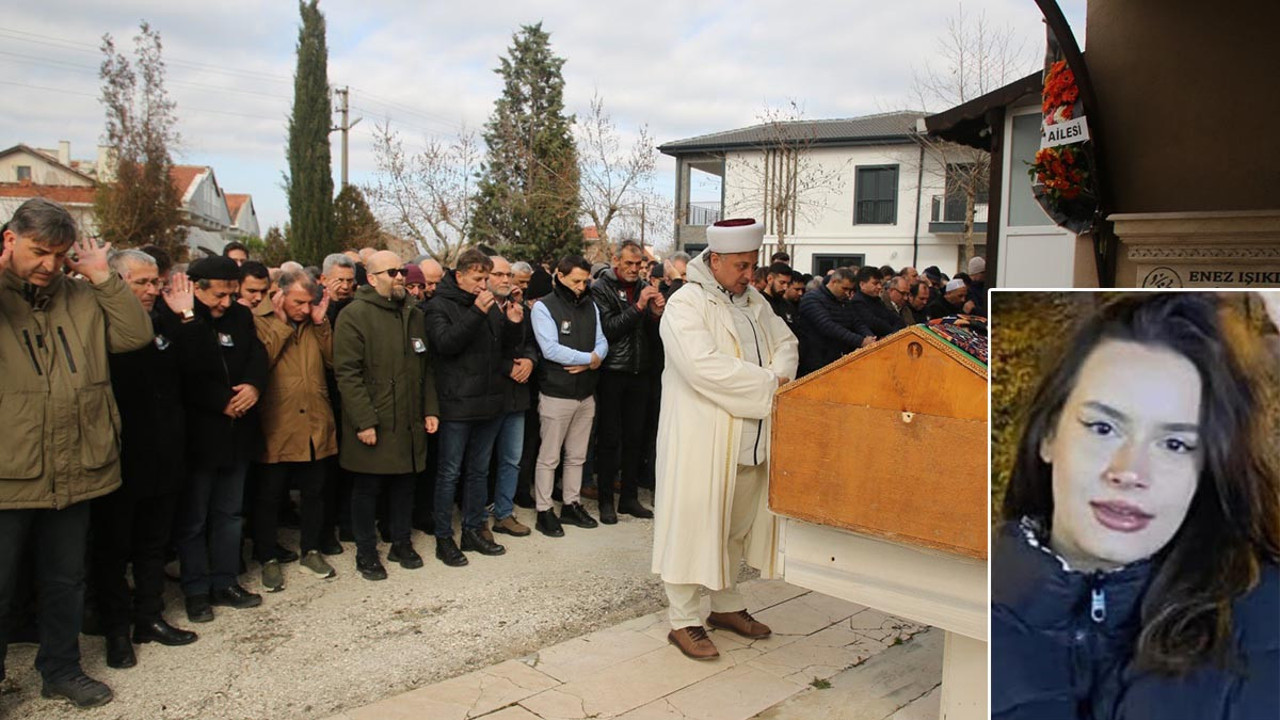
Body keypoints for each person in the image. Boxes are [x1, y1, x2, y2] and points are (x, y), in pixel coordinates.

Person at [993, 292, 1279, 720]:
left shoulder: (1263, 620)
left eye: (1175, 444)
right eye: (1103, 427)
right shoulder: (976, 600)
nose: (1129, 471)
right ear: (1049, 435)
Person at [0, 199, 153, 707]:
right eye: (38, 251)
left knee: (66, 579)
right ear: (9, 241)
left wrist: (103, 277)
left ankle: (61, 669)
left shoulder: (80, 297)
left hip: (77, 465)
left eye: (59, 254)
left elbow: (135, 335)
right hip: (11, 470)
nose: (47, 264)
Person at [652, 218, 798, 661]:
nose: (748, 274)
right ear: (714, 261)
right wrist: (770, 384)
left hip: (751, 437)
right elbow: (702, 367)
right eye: (740, 265)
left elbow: (787, 343)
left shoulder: (755, 301)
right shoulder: (686, 304)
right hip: (704, 437)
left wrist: (776, 374)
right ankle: (684, 620)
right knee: (693, 527)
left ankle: (726, 606)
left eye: (752, 265)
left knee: (734, 529)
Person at [93, 251, 200, 671]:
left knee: (153, 544)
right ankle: (116, 629)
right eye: (142, 283)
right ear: (117, 282)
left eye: (155, 282)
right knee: (113, 548)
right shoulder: (100, 325)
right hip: (119, 455)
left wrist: (187, 320)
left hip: (165, 451)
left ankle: (148, 618)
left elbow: (195, 372)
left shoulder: (167, 321)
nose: (152, 290)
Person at [334, 251, 440, 581]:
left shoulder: (413, 313)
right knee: (367, 489)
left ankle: (401, 542)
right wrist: (364, 421)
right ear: (371, 277)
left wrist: (430, 409)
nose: (400, 277)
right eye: (392, 271)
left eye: (402, 271)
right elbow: (347, 374)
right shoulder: (354, 315)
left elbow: (425, 368)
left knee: (405, 484)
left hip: (409, 419)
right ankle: (366, 551)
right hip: (376, 419)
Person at [174, 256, 268, 624]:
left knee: (229, 515)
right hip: (202, 434)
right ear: (196, 288)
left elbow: (257, 356)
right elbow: (189, 368)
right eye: (218, 295)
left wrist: (255, 387)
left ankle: (225, 581)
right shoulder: (180, 318)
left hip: (238, 432)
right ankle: (196, 590)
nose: (226, 303)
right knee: (194, 519)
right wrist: (220, 402)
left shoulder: (240, 316)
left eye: (231, 294)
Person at [424, 249, 517, 565]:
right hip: (456, 403)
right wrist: (477, 312)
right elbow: (446, 344)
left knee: (478, 472)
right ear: (459, 274)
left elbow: (499, 348)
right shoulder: (438, 305)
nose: (483, 284)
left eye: (486, 278)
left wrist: (513, 324)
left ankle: (472, 530)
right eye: (478, 279)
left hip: (489, 402)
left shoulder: (487, 304)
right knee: (449, 473)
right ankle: (443, 537)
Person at [251, 268, 339, 590]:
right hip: (277, 423)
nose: (304, 308)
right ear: (280, 294)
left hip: (315, 421)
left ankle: (311, 551)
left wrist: (321, 323)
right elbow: (260, 365)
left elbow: (333, 362)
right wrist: (279, 326)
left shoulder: (314, 321)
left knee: (315, 493)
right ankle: (267, 557)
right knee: (269, 496)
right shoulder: (259, 320)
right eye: (298, 302)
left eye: (309, 302)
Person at [530, 255, 608, 537]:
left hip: (585, 393)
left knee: (577, 456)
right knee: (549, 456)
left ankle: (571, 503)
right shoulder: (543, 307)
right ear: (560, 276)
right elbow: (550, 349)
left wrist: (596, 357)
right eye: (576, 280)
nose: (581, 286)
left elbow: (602, 340)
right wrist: (589, 358)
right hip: (557, 392)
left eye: (585, 281)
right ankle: (544, 509)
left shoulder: (591, 305)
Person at [590, 241, 662, 524]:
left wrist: (656, 315)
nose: (634, 269)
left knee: (636, 438)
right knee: (609, 439)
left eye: (638, 264)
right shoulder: (601, 288)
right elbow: (608, 329)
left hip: (640, 371)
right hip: (612, 372)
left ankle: (629, 498)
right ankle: (606, 500)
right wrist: (640, 306)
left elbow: (650, 335)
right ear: (615, 260)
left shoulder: (645, 286)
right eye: (629, 264)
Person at [487, 256, 537, 537]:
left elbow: (530, 343)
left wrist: (529, 361)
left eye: (508, 275)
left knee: (511, 459)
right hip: (490, 394)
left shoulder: (520, 308)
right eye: (498, 274)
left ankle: (504, 513)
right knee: (481, 462)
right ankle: (481, 513)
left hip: (518, 394)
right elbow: (482, 352)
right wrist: (510, 367)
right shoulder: (479, 308)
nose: (505, 280)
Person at [793, 268, 873, 376]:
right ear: (834, 282)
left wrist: (870, 337)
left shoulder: (844, 301)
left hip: (837, 357)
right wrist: (861, 341)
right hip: (816, 359)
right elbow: (827, 326)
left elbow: (857, 322)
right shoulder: (812, 299)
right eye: (844, 288)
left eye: (849, 290)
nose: (847, 293)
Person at [847, 266, 905, 339]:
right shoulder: (857, 302)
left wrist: (894, 333)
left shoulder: (877, 301)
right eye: (875, 283)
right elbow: (873, 323)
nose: (879, 287)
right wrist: (892, 332)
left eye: (880, 283)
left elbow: (896, 319)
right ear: (862, 285)